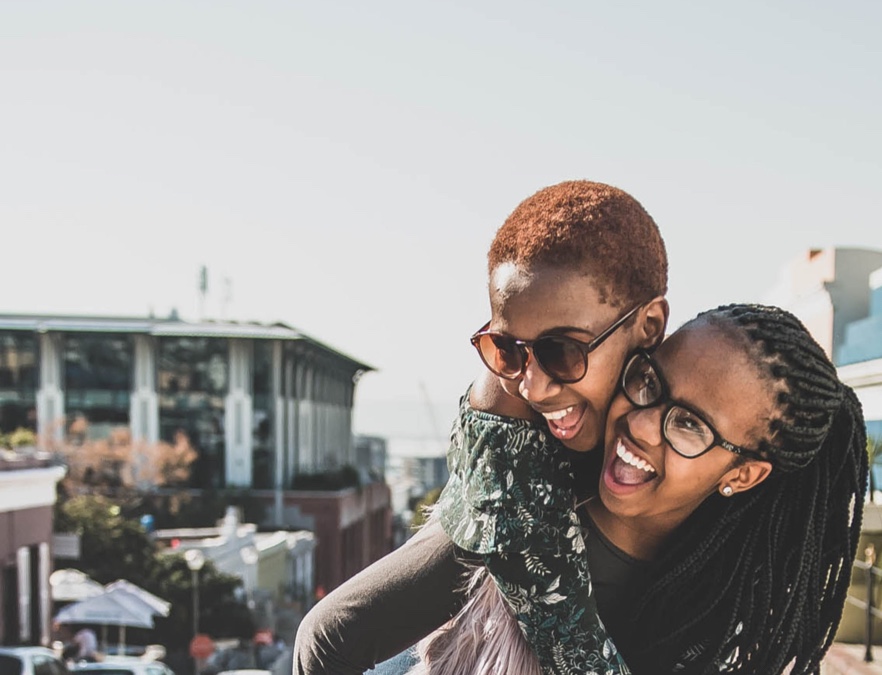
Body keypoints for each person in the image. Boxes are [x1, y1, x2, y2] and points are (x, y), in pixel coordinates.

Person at [293, 179, 670, 674]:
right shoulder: (505, 407)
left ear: (650, 326)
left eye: (562, 351)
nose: (533, 386)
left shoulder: (691, 387)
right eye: (507, 350)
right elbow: (569, 639)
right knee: (327, 635)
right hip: (465, 562)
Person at [410, 304, 868, 674]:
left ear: (741, 475)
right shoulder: (521, 494)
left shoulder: (715, 628)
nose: (642, 424)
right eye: (649, 380)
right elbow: (340, 636)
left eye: (690, 424)